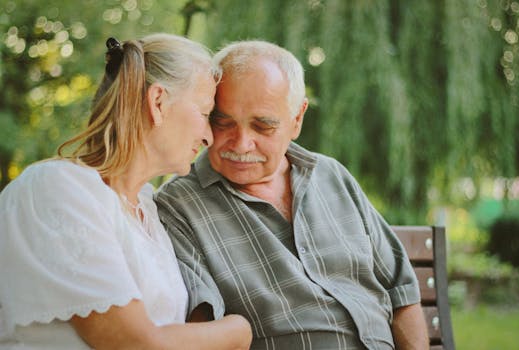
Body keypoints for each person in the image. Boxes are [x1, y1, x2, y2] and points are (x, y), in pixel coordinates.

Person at [155, 40, 428, 350]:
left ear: (297, 118)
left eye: (262, 126)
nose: (241, 143)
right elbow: (202, 329)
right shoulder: (178, 205)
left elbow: (401, 293)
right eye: (223, 123)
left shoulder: (331, 176)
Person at [0, 34, 252, 349]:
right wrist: (240, 330)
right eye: (204, 114)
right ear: (158, 102)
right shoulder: (58, 188)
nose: (208, 137)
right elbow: (137, 344)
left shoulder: (146, 208)